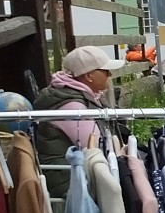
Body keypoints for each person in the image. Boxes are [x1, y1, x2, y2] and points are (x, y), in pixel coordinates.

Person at [33, 46, 124, 197]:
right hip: (68, 181)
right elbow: (95, 147)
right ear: (89, 76)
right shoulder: (72, 106)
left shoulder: (75, 95)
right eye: (105, 71)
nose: (110, 74)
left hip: (73, 173)